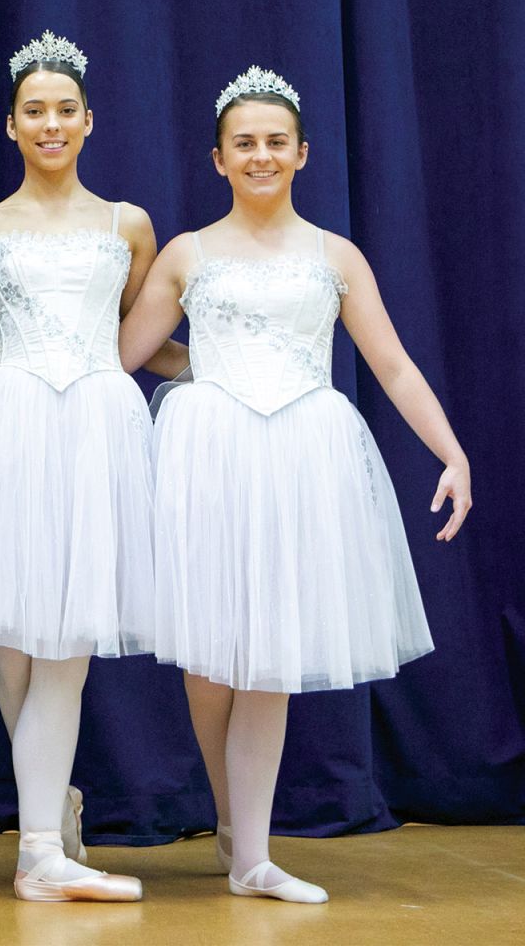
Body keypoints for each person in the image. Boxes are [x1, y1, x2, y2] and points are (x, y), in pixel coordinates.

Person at [118, 66, 471, 903]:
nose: (261, 155)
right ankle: (233, 822)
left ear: (303, 153)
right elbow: (123, 354)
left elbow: (392, 365)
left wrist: (452, 453)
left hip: (301, 460)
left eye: (276, 141)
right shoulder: (187, 254)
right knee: (208, 663)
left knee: (269, 653)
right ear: (218, 159)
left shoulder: (334, 255)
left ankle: (253, 856)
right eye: (244, 143)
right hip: (208, 458)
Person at [0, 31, 188, 902]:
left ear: (89, 121)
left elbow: (142, 340)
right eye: (35, 111)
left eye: (66, 110)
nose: (51, 123)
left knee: (66, 642)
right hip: (12, 429)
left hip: (99, 428)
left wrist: (230, 366)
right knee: (15, 654)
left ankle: (37, 856)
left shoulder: (127, 225)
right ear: (11, 125)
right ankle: (51, 803)